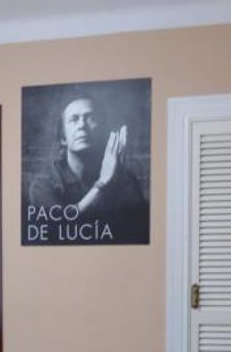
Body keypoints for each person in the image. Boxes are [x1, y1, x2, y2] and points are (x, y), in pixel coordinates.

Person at [28, 96, 149, 243]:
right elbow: (63, 227)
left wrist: (121, 178)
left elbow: (139, 231)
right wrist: (103, 182)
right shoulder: (42, 184)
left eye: (90, 118)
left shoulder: (125, 177)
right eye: (74, 119)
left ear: (103, 134)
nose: (81, 125)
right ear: (63, 138)